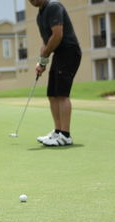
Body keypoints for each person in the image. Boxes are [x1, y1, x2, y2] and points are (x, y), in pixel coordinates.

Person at [28, 0, 81, 146]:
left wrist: (44, 57)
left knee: (62, 94)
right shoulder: (40, 16)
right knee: (52, 94)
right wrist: (42, 63)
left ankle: (65, 135)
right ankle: (57, 132)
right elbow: (47, 42)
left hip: (69, 51)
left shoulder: (53, 7)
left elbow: (57, 35)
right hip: (59, 54)